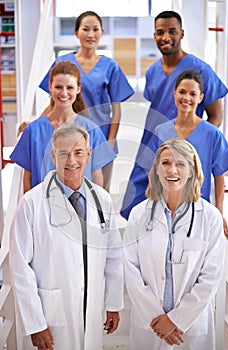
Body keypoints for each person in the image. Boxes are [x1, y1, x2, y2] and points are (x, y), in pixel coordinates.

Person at [9, 124, 124, 350]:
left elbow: (113, 257)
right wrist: (35, 324)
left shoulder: (102, 200)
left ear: (89, 154)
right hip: (49, 317)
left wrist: (113, 303)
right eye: (63, 153)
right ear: (53, 156)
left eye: (78, 152)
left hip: (90, 311)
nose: (71, 160)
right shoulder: (31, 203)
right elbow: (20, 267)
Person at [121, 10, 228, 218]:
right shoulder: (153, 71)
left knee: (184, 204)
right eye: (160, 32)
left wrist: (197, 143)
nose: (166, 38)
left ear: (182, 34)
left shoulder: (200, 70)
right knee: (136, 200)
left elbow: (215, 115)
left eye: (172, 31)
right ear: (154, 36)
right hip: (154, 139)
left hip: (185, 145)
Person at [123, 138, 226, 350]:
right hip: (150, 324)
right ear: (157, 170)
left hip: (189, 327)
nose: (172, 170)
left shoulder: (210, 217)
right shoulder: (138, 214)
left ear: (192, 171)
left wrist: (176, 321)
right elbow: (131, 271)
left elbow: (210, 277)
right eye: (166, 163)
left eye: (181, 164)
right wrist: (157, 319)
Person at [121, 70, 228, 237]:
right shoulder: (161, 130)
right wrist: (150, 208)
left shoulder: (212, 134)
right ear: (174, 94)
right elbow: (154, 170)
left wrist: (219, 212)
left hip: (198, 207)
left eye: (193, 94)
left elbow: (219, 176)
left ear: (201, 98)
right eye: (182, 92)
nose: (186, 98)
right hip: (165, 207)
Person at [39, 10, 134, 191]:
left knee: (101, 192)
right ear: (76, 33)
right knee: (66, 187)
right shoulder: (63, 62)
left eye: (95, 29)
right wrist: (34, 123)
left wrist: (110, 141)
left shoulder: (110, 66)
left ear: (101, 33)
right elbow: (53, 103)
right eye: (85, 29)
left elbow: (117, 110)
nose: (90, 34)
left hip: (101, 135)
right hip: (68, 137)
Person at [10, 61, 116, 193]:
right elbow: (28, 177)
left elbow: (96, 175)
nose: (64, 93)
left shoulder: (91, 130)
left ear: (78, 89)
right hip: (43, 207)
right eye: (58, 87)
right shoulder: (33, 131)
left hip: (80, 207)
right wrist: (30, 211)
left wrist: (96, 208)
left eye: (70, 87)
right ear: (50, 87)